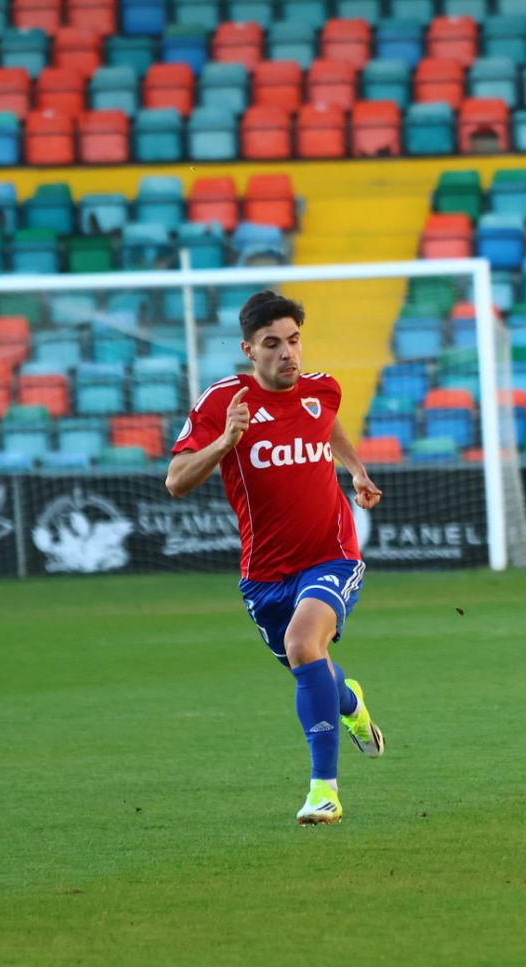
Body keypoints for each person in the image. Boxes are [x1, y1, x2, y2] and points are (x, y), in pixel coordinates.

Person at [165, 291, 386, 826]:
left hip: (332, 553)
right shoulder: (224, 401)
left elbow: (325, 422)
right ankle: (350, 704)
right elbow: (176, 482)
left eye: (293, 340)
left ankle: (324, 792)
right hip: (264, 574)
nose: (288, 353)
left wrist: (355, 470)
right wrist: (226, 441)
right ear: (249, 349)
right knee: (310, 665)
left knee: (302, 642)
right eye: (273, 344)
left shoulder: (322, 388)